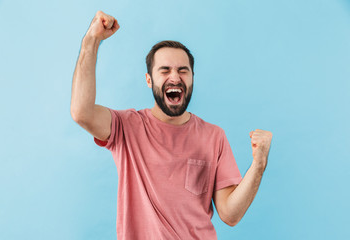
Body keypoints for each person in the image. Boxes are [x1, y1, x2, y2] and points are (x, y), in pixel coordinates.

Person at [70, 10, 273, 240]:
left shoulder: (214, 136)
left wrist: (258, 165)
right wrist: (91, 40)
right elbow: (81, 112)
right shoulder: (125, 127)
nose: (175, 77)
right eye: (165, 70)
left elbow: (230, 215)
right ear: (149, 80)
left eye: (183, 71)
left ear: (192, 78)